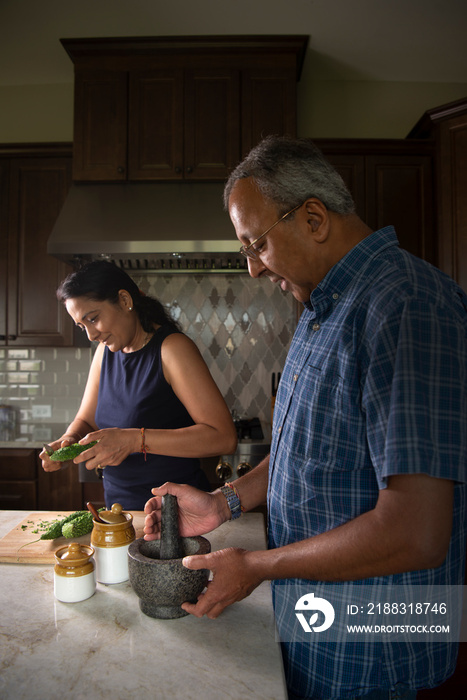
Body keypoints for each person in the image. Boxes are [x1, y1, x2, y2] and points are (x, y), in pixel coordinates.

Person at [144, 136, 467, 699]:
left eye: (256, 245)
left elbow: (418, 534)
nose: (251, 269)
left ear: (314, 218)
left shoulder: (407, 305)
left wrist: (258, 565)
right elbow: (308, 453)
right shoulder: (324, 307)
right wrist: (225, 503)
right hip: (321, 626)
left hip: (374, 652)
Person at [40, 260, 237, 510]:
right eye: (82, 326)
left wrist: (134, 440)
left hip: (178, 515)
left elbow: (224, 437)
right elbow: (87, 421)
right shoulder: (105, 353)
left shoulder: (172, 349)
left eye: (93, 319)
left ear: (124, 300)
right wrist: (68, 441)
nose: (90, 335)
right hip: (122, 512)